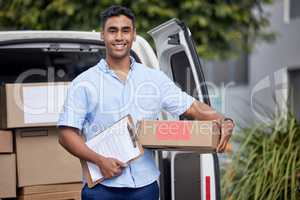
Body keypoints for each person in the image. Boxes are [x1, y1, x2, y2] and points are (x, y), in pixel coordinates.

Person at [57, 5, 234, 200]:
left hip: (145, 188)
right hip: (101, 189)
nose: (119, 37)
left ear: (133, 35)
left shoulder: (154, 79)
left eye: (126, 30)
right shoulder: (84, 83)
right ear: (102, 35)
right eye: (112, 30)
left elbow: (192, 107)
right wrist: (100, 161)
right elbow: (66, 135)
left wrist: (224, 120)